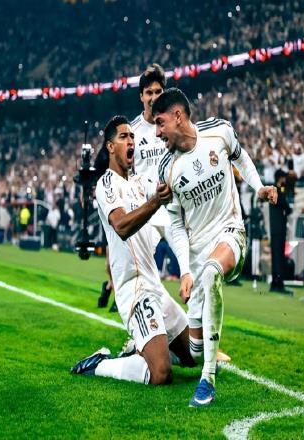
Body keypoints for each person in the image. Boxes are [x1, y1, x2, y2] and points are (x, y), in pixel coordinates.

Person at [153, 88, 277, 406]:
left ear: (177, 116)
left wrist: (258, 187)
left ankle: (207, 381)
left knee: (211, 272)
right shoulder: (166, 169)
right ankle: (147, 353)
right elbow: (176, 225)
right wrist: (184, 270)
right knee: (195, 351)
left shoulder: (219, 131)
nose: (157, 132)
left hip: (230, 234)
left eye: (160, 123)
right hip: (197, 254)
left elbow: (241, 156)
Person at [71, 115, 196, 386]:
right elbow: (121, 226)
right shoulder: (106, 185)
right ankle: (100, 364)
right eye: (124, 137)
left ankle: (141, 350)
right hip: (135, 290)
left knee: (195, 355)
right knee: (161, 374)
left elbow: (164, 196)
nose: (131, 141)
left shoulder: (140, 183)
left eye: (132, 136)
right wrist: (154, 203)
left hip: (156, 287)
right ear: (110, 147)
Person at [131, 63, 180, 279]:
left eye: (158, 92)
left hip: (173, 209)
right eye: (149, 92)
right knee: (139, 270)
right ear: (141, 96)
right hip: (147, 211)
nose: (153, 97)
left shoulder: (175, 126)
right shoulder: (131, 132)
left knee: (192, 265)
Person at [269, 169, 293, 294]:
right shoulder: (278, 191)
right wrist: (288, 209)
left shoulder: (273, 190)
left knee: (275, 256)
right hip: (279, 228)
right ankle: (279, 284)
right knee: (279, 257)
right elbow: (286, 205)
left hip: (274, 228)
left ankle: (275, 283)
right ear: (280, 178)